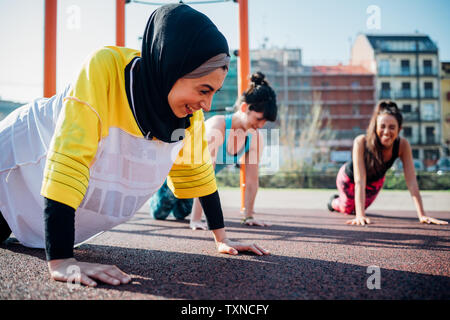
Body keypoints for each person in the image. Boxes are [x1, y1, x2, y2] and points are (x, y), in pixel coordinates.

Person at [0, 4, 269, 288]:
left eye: (213, 92)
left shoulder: (190, 117)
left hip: (42, 195)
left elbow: (200, 175)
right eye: (204, 90)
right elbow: (70, 159)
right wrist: (62, 261)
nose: (208, 104)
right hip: (15, 163)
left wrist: (222, 239)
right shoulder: (105, 69)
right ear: (172, 65)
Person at [149, 72, 277, 229]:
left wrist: (248, 216)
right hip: (179, 175)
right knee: (160, 214)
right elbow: (205, 172)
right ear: (244, 108)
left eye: (265, 122)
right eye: (259, 119)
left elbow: (251, 181)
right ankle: (157, 189)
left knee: (180, 213)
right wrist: (196, 220)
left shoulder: (255, 137)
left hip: (198, 186)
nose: (261, 125)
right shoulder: (217, 127)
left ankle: (184, 208)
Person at [327, 100, 448, 226]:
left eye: (392, 127)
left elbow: (412, 182)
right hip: (349, 178)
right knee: (348, 209)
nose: (386, 132)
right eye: (382, 126)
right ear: (375, 127)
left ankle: (352, 206)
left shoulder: (402, 145)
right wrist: (360, 216)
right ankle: (333, 202)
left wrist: (422, 215)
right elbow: (360, 180)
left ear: (399, 129)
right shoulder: (361, 142)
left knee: (356, 208)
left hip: (375, 181)